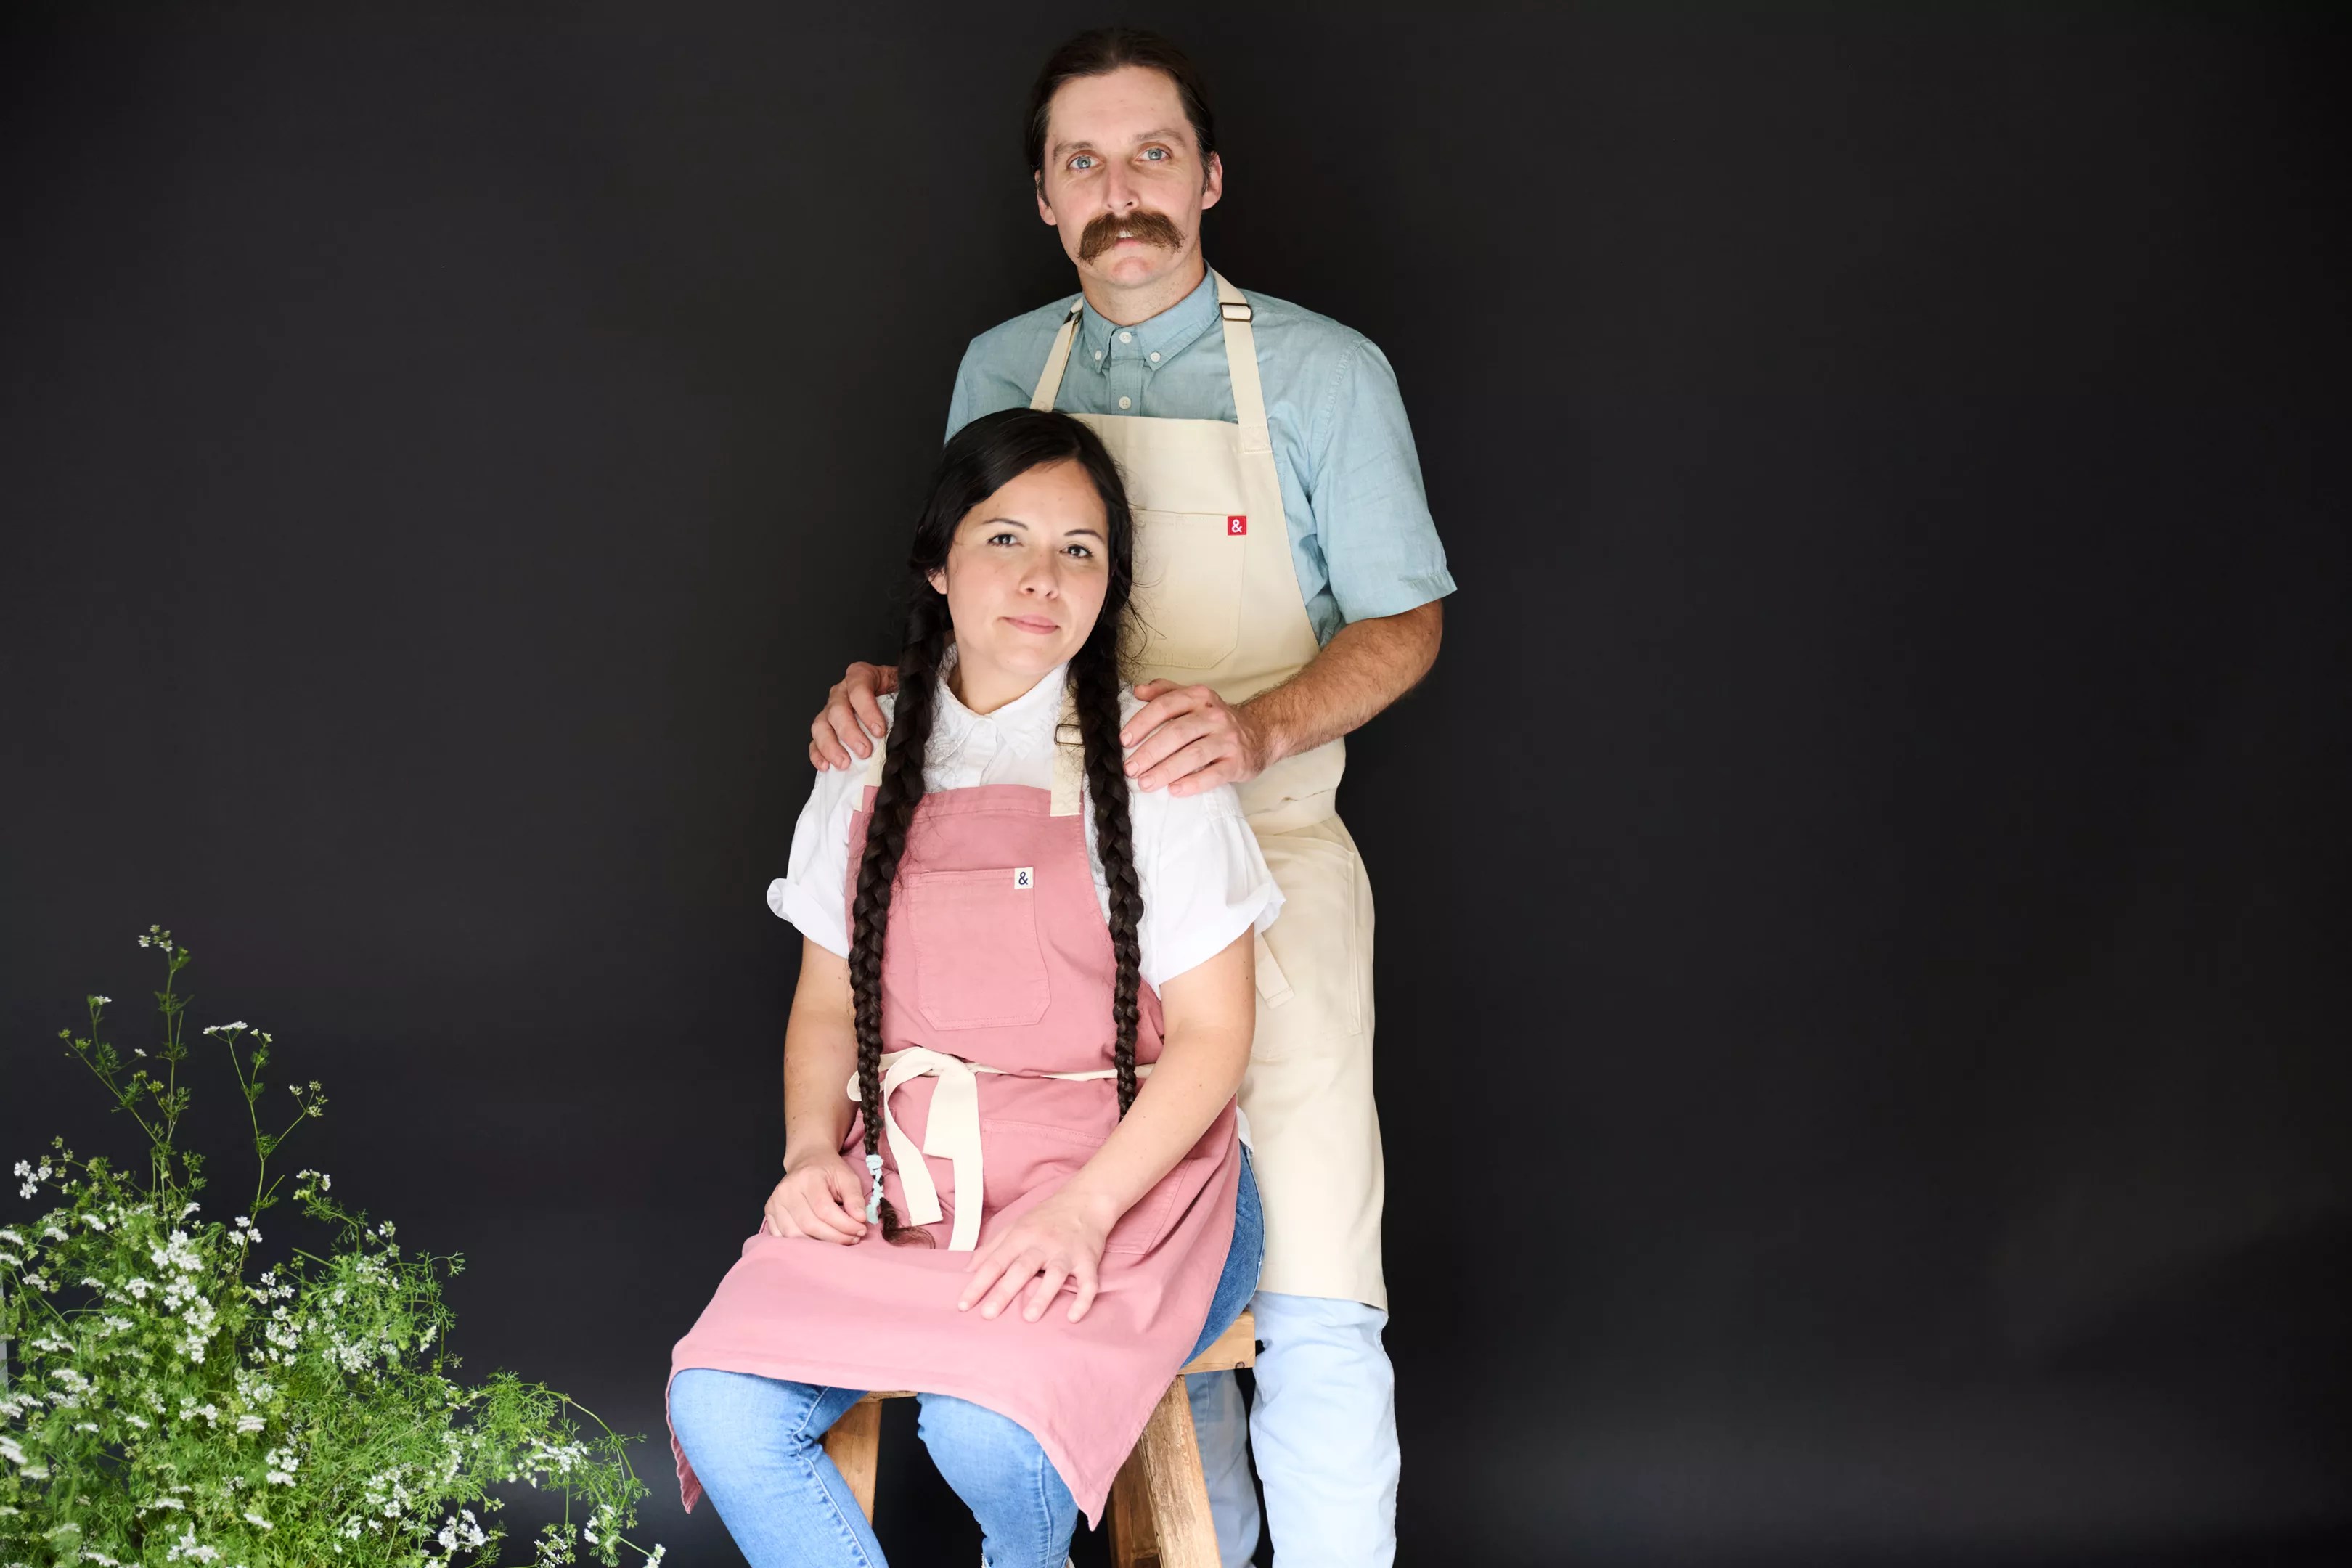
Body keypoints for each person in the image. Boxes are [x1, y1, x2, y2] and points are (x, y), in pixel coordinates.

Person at [808, 28, 1453, 1567]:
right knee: (1141, 1275)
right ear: (1044, 196)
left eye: (1153, 154)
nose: (1122, 193)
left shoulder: (1325, 374)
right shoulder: (1001, 369)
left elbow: (1408, 620)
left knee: (1310, 1280)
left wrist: (1258, 727)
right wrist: (883, 688)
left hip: (1265, 864)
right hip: (1036, 889)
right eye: (1082, 164)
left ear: (1210, 175)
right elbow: (982, 602)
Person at [667, 408, 1275, 1568]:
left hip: (1127, 1182)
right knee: (723, 1407)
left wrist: (1084, 1211)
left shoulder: (1158, 760)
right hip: (912, 1186)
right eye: (1006, 539)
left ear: (1109, 583)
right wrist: (810, 1152)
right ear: (939, 565)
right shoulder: (865, 751)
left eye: (1080, 549)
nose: (1045, 577)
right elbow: (823, 1003)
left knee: (988, 1434)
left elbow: (1213, 1037)